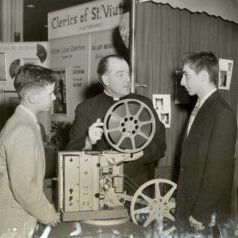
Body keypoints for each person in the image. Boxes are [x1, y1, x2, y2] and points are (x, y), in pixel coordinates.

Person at [0, 65, 60, 237]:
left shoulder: (23, 121)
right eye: (49, 93)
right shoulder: (23, 129)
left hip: (10, 221)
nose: (53, 97)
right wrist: (49, 215)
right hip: (10, 224)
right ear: (31, 98)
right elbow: (24, 189)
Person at [66, 55, 166, 188]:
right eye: (120, 74)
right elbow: (72, 153)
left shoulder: (144, 105)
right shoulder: (86, 109)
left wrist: (139, 153)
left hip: (138, 186)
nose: (128, 79)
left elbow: (160, 145)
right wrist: (88, 141)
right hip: (101, 185)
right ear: (105, 79)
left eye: (128, 73)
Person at [175, 52, 237, 235]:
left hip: (202, 214)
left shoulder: (222, 114)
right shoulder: (200, 106)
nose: (181, 83)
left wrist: (200, 213)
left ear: (203, 76)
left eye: (186, 75)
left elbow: (218, 172)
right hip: (188, 206)